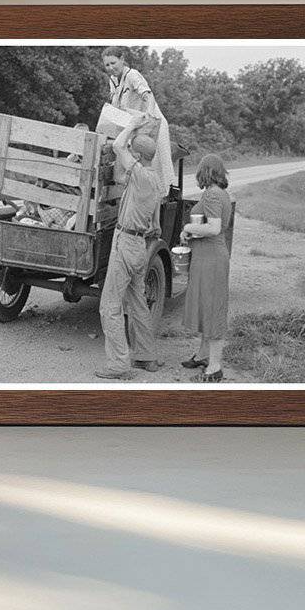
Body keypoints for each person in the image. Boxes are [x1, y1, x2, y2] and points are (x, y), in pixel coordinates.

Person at [95, 113, 165, 380]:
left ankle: (118, 364)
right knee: (137, 304)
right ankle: (146, 356)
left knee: (109, 305)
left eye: (133, 154)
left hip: (125, 243)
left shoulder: (140, 175)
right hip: (139, 246)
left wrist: (133, 125)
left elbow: (116, 146)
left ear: (137, 156)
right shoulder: (155, 180)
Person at [180, 153, 232, 383]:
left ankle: (215, 365)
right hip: (209, 257)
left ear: (205, 172)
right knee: (206, 306)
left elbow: (213, 228)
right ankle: (203, 355)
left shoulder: (211, 194)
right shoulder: (222, 194)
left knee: (212, 310)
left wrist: (188, 227)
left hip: (211, 258)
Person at [101, 47, 178, 197]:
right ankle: (135, 197)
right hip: (136, 125)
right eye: (107, 65)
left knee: (154, 165)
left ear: (122, 59)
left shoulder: (133, 75)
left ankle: (157, 199)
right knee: (134, 163)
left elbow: (148, 96)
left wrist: (148, 114)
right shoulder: (113, 80)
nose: (111, 68)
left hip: (153, 125)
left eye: (113, 63)